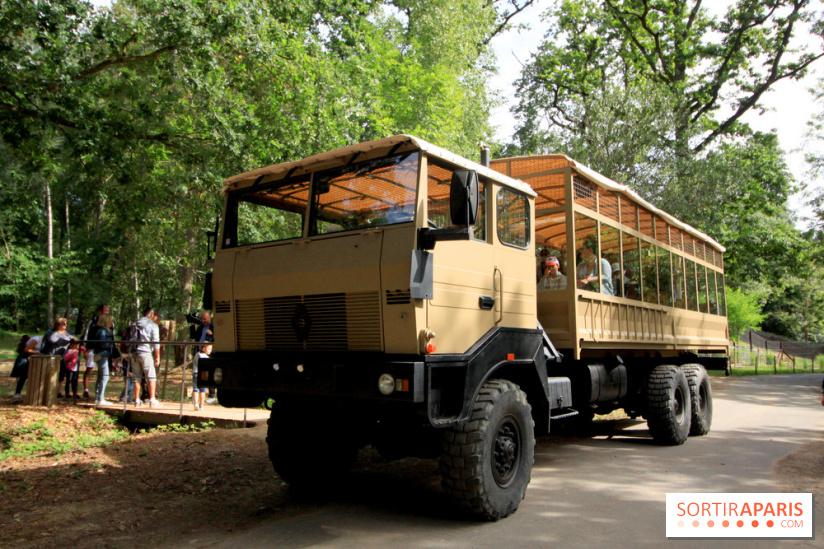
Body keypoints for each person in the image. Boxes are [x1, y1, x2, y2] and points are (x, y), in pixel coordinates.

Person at [132, 306, 162, 408]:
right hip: (145, 352)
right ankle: (152, 400)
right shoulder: (153, 325)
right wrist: (157, 357)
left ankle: (136, 400)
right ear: (152, 315)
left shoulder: (136, 323)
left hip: (134, 352)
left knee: (136, 378)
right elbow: (156, 342)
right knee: (151, 376)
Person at [42, 317, 75, 398]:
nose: (65, 325)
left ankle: (58, 392)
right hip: (52, 356)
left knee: (61, 375)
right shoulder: (51, 332)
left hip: (64, 357)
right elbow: (53, 341)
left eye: (66, 323)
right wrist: (68, 339)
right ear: (58, 324)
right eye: (63, 323)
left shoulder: (69, 332)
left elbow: (75, 340)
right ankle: (48, 391)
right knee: (51, 373)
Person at [82, 304, 109, 399]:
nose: (107, 312)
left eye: (108, 310)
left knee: (102, 372)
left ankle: (99, 395)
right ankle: (86, 389)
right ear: (100, 311)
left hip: (103, 350)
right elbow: (86, 335)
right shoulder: (92, 322)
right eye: (105, 310)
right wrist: (85, 349)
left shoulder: (110, 323)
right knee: (89, 369)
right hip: (92, 349)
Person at [193, 311, 216, 403]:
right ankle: (198, 394)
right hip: (200, 351)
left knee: (210, 372)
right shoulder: (201, 327)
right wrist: (193, 326)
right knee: (199, 372)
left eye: (205, 319)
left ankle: (212, 395)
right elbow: (193, 336)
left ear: (209, 318)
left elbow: (221, 337)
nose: (203, 321)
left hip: (210, 352)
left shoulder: (214, 327)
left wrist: (212, 334)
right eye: (202, 319)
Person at [93, 313, 116, 406]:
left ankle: (98, 397)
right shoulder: (102, 331)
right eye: (110, 320)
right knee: (105, 376)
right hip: (102, 354)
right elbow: (102, 343)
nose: (111, 322)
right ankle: (100, 399)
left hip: (102, 354)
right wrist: (112, 345)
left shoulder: (104, 330)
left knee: (100, 376)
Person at [11, 335, 36, 401]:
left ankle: (18, 392)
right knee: (23, 378)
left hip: (21, 361)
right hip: (23, 362)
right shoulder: (26, 345)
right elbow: (28, 352)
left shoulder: (22, 344)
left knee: (22, 378)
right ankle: (17, 393)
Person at [192, 344, 212, 411]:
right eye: (209, 349)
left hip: (195, 373)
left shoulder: (197, 354)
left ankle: (195, 403)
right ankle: (201, 405)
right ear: (203, 349)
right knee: (202, 390)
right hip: (202, 373)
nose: (210, 351)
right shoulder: (204, 356)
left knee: (196, 389)